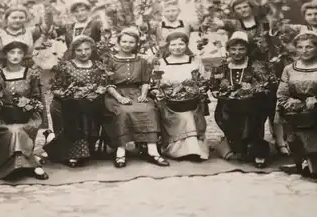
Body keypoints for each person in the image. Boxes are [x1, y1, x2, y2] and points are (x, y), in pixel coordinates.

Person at [103, 27, 169, 168]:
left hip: (136, 92)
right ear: (118, 42)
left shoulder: (141, 61)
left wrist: (144, 95)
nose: (127, 45)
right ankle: (121, 151)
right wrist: (119, 98)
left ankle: (152, 151)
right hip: (115, 94)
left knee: (149, 109)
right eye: (124, 41)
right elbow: (107, 84)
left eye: (131, 42)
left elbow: (145, 81)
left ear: (136, 44)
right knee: (123, 111)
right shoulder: (110, 60)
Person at [0, 41, 49, 180]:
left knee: (17, 130)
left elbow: (36, 96)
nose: (15, 56)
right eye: (12, 52)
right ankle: (26, 165)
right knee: (12, 130)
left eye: (19, 53)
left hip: (26, 115)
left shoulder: (31, 74)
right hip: (0, 116)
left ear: (24, 56)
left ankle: (23, 165)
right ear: (5, 55)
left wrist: (27, 105)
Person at [210, 31, 275, 168]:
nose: (237, 52)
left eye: (241, 49)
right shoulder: (221, 67)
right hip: (228, 105)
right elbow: (214, 85)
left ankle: (259, 153)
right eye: (233, 49)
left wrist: (253, 90)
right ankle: (237, 146)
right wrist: (216, 91)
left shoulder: (255, 66)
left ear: (247, 50)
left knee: (252, 121)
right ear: (228, 50)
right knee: (229, 121)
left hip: (252, 104)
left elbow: (265, 84)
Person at [44, 35, 108, 167]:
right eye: (79, 50)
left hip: (91, 102)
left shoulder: (98, 66)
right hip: (68, 103)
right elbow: (55, 88)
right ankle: (73, 153)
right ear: (73, 51)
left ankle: (83, 149)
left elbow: (103, 84)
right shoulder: (65, 66)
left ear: (92, 49)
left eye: (87, 49)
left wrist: (97, 91)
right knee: (75, 108)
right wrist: (67, 94)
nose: (84, 53)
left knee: (86, 108)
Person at [152, 32, 209, 161]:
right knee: (184, 115)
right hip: (169, 102)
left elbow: (202, 81)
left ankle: (195, 149)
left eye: (181, 44)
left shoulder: (194, 61)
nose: (177, 47)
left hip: (191, 99)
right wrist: (163, 90)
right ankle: (177, 150)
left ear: (186, 45)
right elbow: (155, 84)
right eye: (173, 44)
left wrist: (196, 90)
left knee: (190, 112)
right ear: (168, 46)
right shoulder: (161, 63)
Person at [277, 31, 317, 178]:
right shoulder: (289, 69)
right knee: (295, 139)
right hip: (297, 112)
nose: (304, 51)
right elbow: (282, 94)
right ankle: (301, 162)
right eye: (300, 47)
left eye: (309, 47)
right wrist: (291, 103)